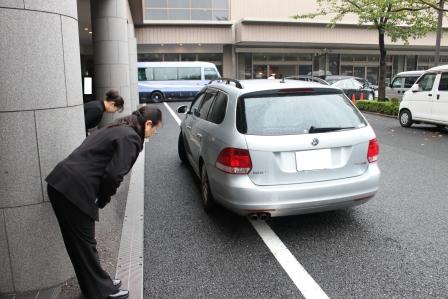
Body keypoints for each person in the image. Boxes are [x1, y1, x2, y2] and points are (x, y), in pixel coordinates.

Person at [46, 106, 162, 299]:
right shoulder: (131, 137)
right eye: (155, 128)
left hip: (60, 183)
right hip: (75, 190)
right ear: (148, 123)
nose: (155, 132)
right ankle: (103, 292)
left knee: (78, 245)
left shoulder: (116, 127)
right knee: (86, 245)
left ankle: (95, 286)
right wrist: (103, 198)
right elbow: (114, 174)